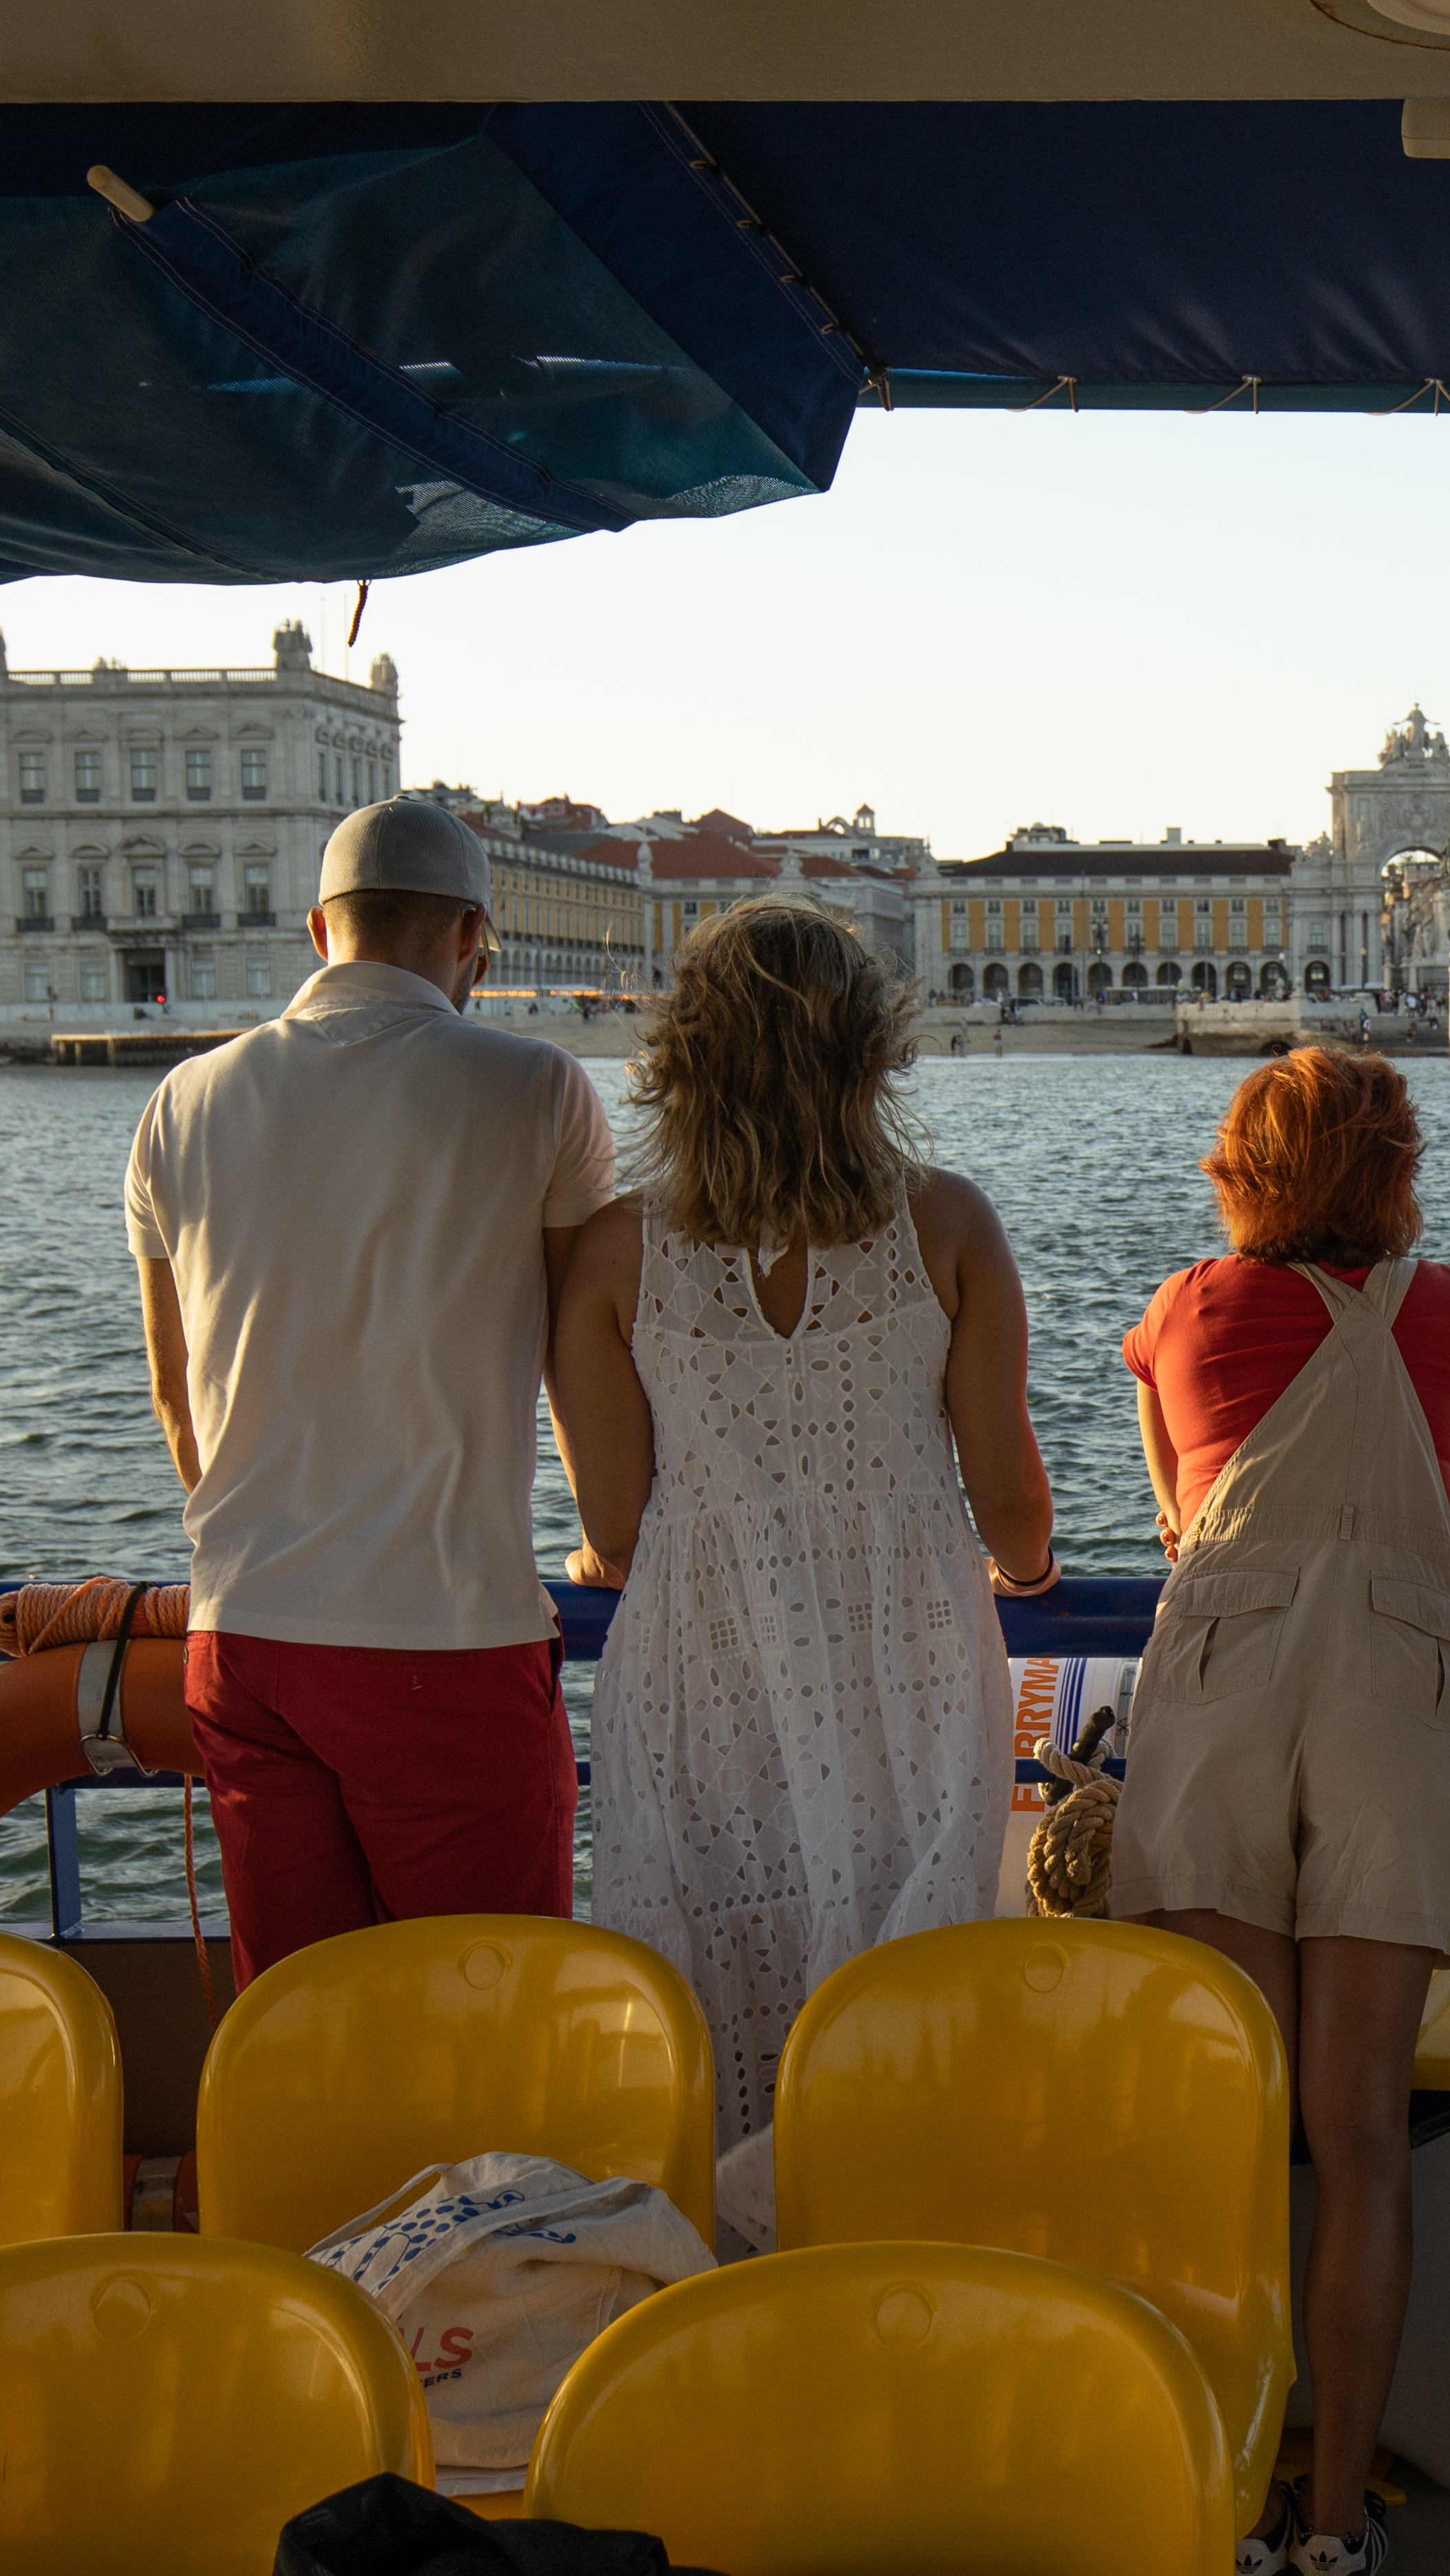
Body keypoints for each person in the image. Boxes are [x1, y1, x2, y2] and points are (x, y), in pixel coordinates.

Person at [546, 898, 1057, 2140]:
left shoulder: (616, 1256)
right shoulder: (947, 1224)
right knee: (904, 2003)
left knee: (715, 1992)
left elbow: (615, 1522)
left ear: (686, 1056)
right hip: (910, 1666)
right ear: (869, 1051)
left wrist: (605, 1553)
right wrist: (1034, 1572)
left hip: (697, 1666)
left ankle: (733, 2283)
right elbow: (1008, 1501)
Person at [1110, 1046, 1450, 2576]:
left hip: (1225, 1680)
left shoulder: (1185, 1313)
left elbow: (1172, 1524)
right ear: (1397, 1163)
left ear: (1241, 1168)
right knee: (1360, 2138)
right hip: (1398, 1689)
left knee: (1231, 2125)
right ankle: (1338, 2515)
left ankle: (1224, 2488)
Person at [127, 800, 618, 1985]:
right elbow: (584, 1363)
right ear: (474, 939)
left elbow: (177, 1395)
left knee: (301, 2018)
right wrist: (608, 1546)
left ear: (316, 928)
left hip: (243, 1632)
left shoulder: (182, 1102)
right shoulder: (539, 1088)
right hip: (446, 1635)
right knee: (494, 2008)